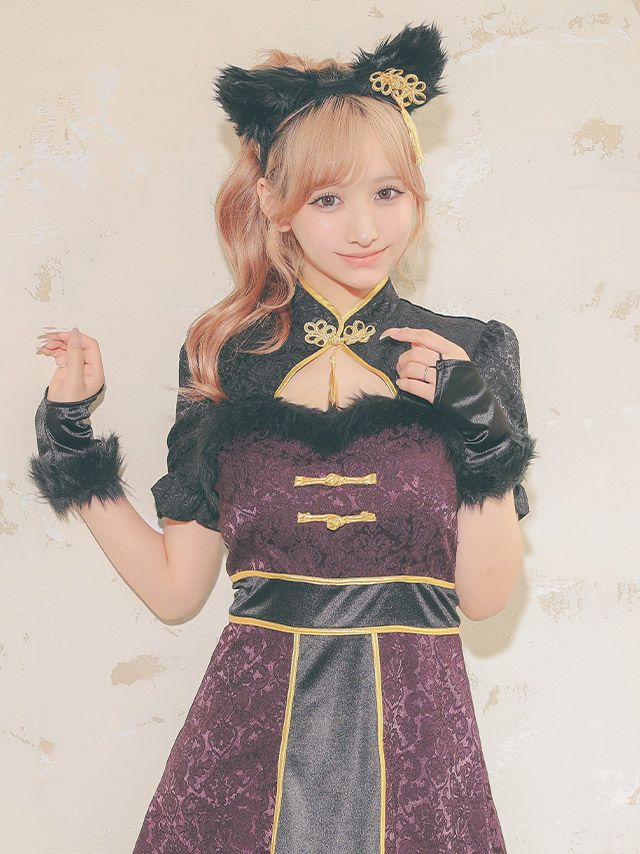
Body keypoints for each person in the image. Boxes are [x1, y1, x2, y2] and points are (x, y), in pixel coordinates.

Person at [28, 21, 537, 854]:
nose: (365, 228)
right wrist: (68, 438)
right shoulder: (226, 357)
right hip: (243, 755)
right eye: (328, 199)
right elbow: (175, 588)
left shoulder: (470, 351)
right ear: (274, 203)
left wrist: (482, 428)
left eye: (388, 192)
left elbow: (482, 598)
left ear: (419, 194)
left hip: (418, 755)